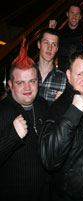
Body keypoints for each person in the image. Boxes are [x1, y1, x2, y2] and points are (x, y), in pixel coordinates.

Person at [40, 51, 83, 201]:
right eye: (79, 74)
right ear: (68, 75)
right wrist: (73, 113)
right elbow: (49, 159)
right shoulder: (57, 109)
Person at [0, 39, 49, 201]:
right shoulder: (2, 111)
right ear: (10, 85)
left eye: (32, 81)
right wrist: (12, 136)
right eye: (20, 83)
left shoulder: (42, 105)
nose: (28, 88)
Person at [49, 2, 83, 72]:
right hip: (62, 73)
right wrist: (51, 30)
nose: (74, 17)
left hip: (79, 74)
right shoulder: (59, 34)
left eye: (77, 14)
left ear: (80, 16)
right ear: (67, 14)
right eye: (72, 13)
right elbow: (50, 50)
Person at [36, 28, 67, 105]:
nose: (49, 48)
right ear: (39, 44)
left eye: (54, 44)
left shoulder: (63, 78)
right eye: (46, 43)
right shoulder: (26, 72)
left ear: (57, 49)